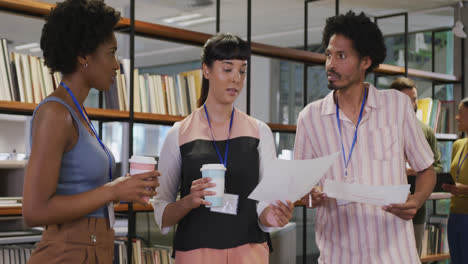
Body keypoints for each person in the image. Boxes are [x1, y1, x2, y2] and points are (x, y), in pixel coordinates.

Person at [23, 1, 159, 263]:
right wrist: (113, 191)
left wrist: (127, 189)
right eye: (111, 53)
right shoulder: (56, 113)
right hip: (67, 253)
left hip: (93, 248)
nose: (117, 65)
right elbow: (34, 211)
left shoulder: (78, 112)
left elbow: (83, 194)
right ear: (83, 56)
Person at [295, 11, 436, 263]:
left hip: (395, 255)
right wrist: (309, 194)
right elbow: (299, 186)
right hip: (337, 256)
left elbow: (426, 168)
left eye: (341, 56)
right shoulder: (310, 117)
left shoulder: (397, 105)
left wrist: (416, 200)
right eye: (328, 55)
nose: (331, 64)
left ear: (365, 62)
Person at [152, 33, 294, 264]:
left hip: (250, 252)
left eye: (242, 71)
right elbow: (162, 212)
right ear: (206, 70)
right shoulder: (178, 134)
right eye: (227, 69)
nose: (236, 78)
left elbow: (264, 207)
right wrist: (189, 200)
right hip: (196, 253)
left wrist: (275, 216)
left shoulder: (259, 132)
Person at [390, 77, 443, 254]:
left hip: (416, 210)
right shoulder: (380, 128)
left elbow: (437, 167)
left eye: (414, 99)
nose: (413, 104)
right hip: (384, 209)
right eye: (407, 99)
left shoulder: (425, 130)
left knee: (413, 256)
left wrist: (418, 170)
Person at [442, 98, 468, 264]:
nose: (456, 117)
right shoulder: (458, 144)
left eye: (461, 113)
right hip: (455, 216)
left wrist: (466, 190)